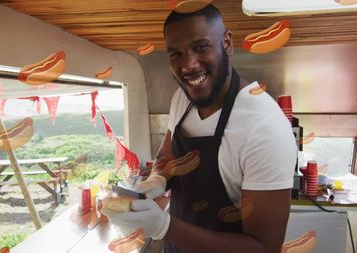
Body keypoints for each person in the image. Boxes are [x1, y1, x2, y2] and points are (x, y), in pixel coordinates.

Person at [102, 4, 297, 253]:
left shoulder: (264, 127)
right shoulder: (181, 99)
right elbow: (167, 156)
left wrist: (164, 227)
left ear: (227, 43)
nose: (188, 65)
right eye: (176, 54)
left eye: (200, 47)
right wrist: (157, 179)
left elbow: (264, 247)